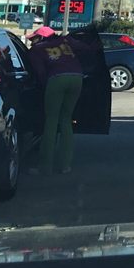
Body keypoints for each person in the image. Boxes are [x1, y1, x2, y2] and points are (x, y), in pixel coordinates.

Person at [26, 25, 95, 175]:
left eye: (34, 38)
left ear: (42, 38)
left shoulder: (37, 50)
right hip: (77, 78)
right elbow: (86, 48)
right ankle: (65, 165)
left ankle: (45, 167)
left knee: (51, 121)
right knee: (66, 120)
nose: (32, 42)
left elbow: (40, 72)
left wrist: (45, 87)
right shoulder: (66, 42)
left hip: (56, 80)